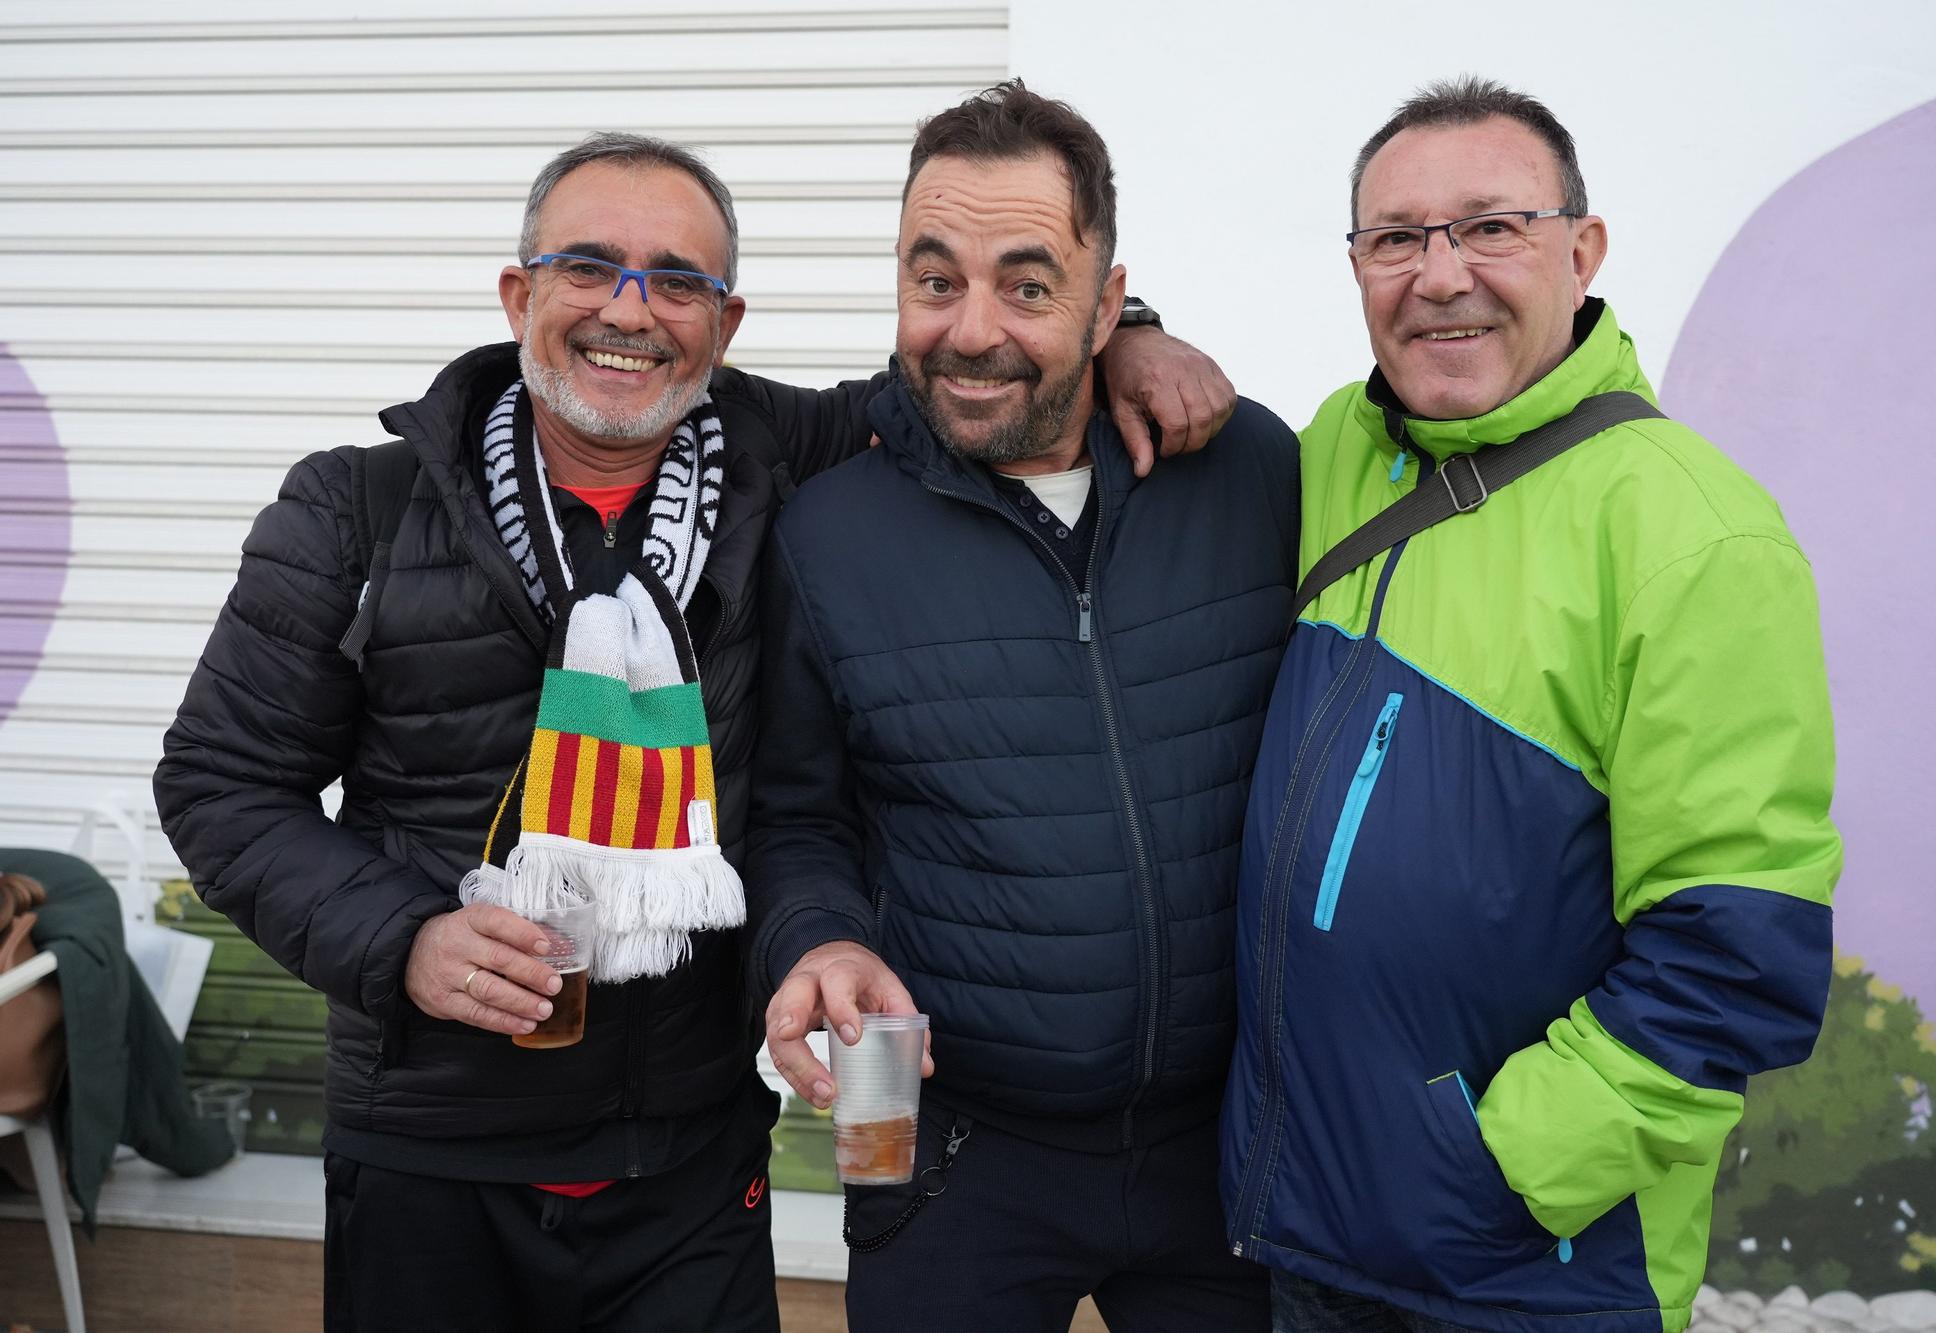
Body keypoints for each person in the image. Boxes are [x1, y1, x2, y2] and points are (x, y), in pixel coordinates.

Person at [152, 131, 1228, 1333]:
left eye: (677, 282)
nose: (631, 311)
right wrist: (401, 938)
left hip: (689, 1168)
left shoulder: (792, 460)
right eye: (588, 267)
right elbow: (218, 783)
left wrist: (1132, 334)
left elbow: (979, 363)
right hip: (429, 1153)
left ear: (724, 322)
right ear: (520, 293)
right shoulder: (355, 507)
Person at [1220, 77, 1842, 1333]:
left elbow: (1735, 956)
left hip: (1524, 1273)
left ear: (1582, 248)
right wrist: (1140, 334)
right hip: (1308, 1240)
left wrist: (1491, 1175)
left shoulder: (1692, 534)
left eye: (1489, 226)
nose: (1438, 274)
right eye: (1394, 237)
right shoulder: (1341, 447)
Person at [748, 81, 1299, 1333]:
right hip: (949, 1148)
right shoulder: (828, 531)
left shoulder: (1252, 471)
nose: (971, 329)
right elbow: (796, 817)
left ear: (1110, 303)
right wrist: (815, 938)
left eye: (1028, 284)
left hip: (1233, 1141)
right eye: (933, 280)